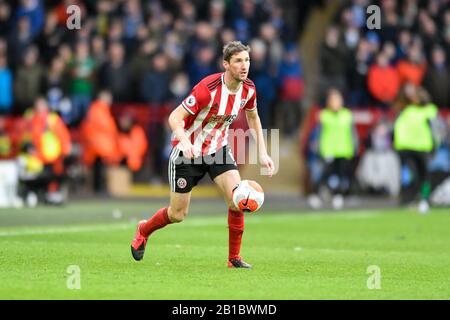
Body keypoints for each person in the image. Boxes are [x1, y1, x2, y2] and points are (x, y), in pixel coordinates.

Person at [130, 41, 275, 268]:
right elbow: (174, 118)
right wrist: (185, 141)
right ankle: (144, 229)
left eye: (247, 60)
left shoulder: (249, 89)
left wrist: (264, 152)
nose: (244, 65)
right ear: (226, 64)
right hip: (188, 153)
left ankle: (233, 258)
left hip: (218, 150)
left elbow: (253, 117)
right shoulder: (207, 89)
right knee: (178, 214)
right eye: (238, 60)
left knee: (237, 199)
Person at [308, 89, 358, 210]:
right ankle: (315, 195)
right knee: (325, 174)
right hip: (328, 150)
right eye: (333, 100)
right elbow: (318, 134)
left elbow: (352, 133)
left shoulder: (347, 115)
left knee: (342, 174)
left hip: (343, 150)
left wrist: (354, 147)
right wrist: (317, 147)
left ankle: (338, 196)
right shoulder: (324, 115)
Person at [393, 84, 438, 213]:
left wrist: (435, 146)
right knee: (411, 175)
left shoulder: (429, 110)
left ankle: (424, 198)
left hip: (422, 147)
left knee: (424, 175)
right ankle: (409, 199)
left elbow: (436, 131)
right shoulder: (406, 110)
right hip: (406, 147)